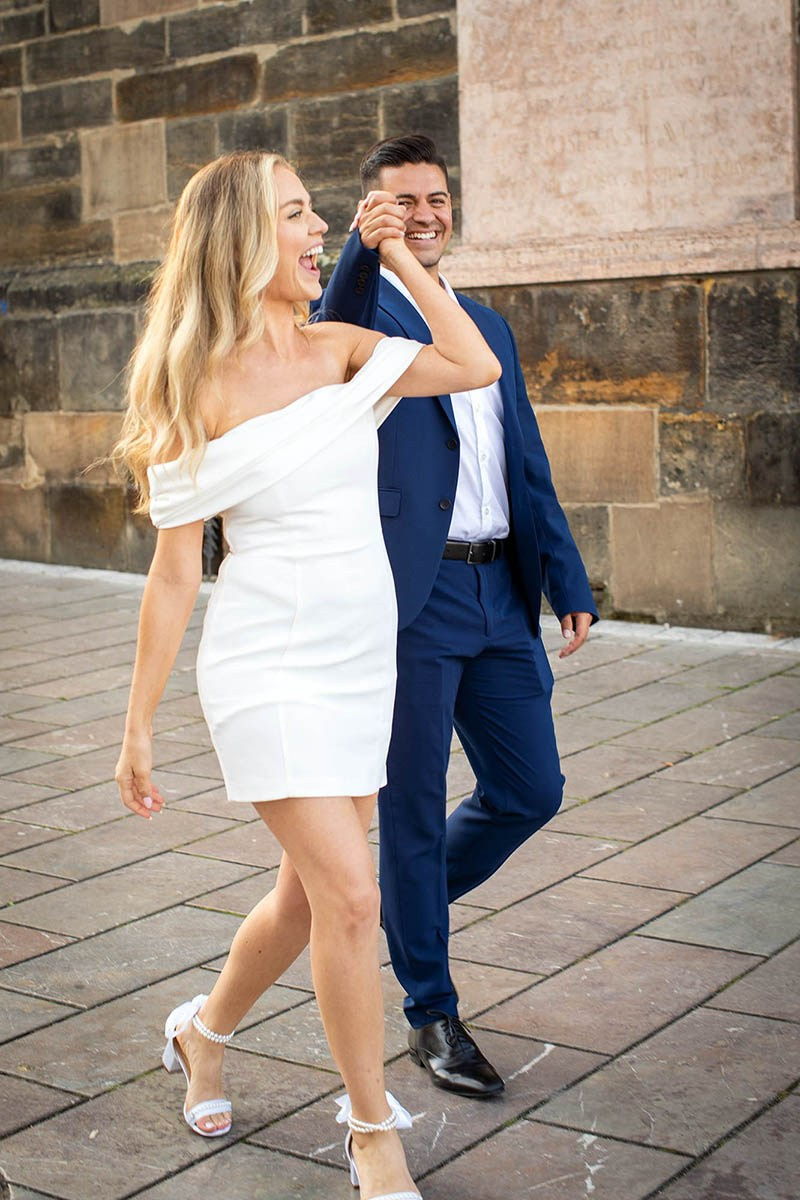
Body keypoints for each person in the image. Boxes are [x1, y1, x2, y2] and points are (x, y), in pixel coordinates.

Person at [113, 150, 499, 1200]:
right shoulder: (189, 386)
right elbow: (174, 574)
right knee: (351, 896)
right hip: (264, 666)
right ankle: (371, 1127)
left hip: (354, 659)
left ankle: (205, 1030)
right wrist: (137, 729)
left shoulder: (339, 349)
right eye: (297, 212)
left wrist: (403, 260)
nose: (320, 223)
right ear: (244, 239)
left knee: (300, 896)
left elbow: (474, 368)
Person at [320, 135, 598, 1098]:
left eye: (435, 199)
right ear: (372, 211)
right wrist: (368, 250)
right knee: (409, 806)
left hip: (498, 592)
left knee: (531, 789)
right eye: (402, 202)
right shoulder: (354, 319)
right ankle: (429, 1009)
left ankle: (396, 909)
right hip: (412, 594)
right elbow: (333, 313)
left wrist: (566, 575)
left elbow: (525, 455)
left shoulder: (483, 323)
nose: (425, 214)